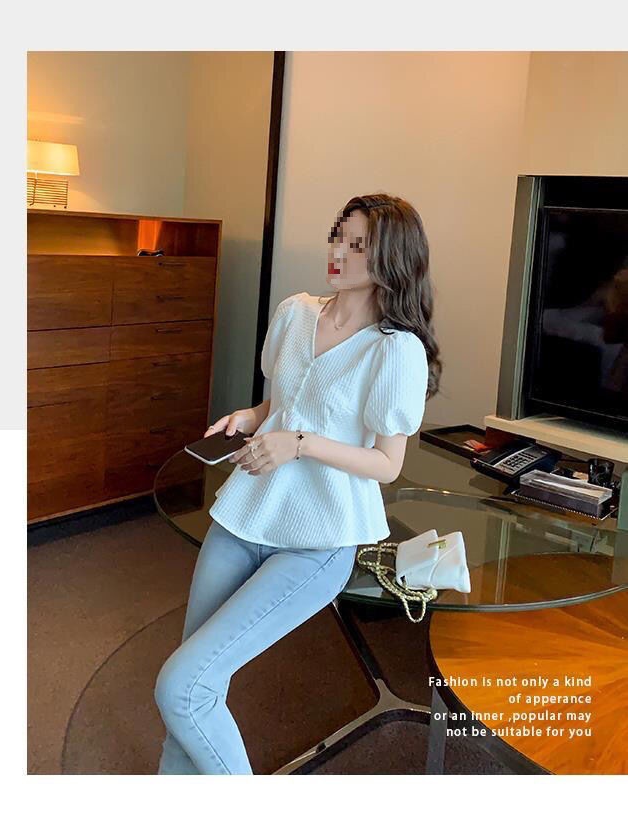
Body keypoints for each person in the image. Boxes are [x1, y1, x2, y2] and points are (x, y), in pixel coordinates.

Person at [153, 193, 442, 774]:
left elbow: (387, 463)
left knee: (183, 688)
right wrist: (250, 418)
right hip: (246, 516)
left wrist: (300, 443)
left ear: (390, 257)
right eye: (338, 235)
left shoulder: (395, 349)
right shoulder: (295, 312)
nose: (338, 251)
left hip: (317, 541)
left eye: (357, 244)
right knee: (194, 689)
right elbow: (282, 404)